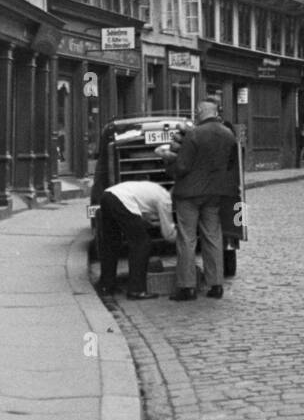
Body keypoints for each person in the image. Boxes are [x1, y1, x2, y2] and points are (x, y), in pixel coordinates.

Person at [168, 99, 238, 302]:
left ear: (200, 112)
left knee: (187, 238)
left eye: (197, 112)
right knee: (213, 237)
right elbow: (233, 163)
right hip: (215, 193)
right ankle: (216, 285)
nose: (196, 115)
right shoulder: (228, 134)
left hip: (189, 194)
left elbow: (182, 166)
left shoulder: (194, 134)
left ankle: (187, 287)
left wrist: (169, 164)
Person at [97, 180, 175, 300]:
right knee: (142, 244)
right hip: (122, 200)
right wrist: (183, 239)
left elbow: (139, 217)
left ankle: (106, 285)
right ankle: (136, 290)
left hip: (108, 195)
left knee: (112, 243)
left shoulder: (157, 190)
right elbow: (168, 233)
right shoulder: (166, 200)